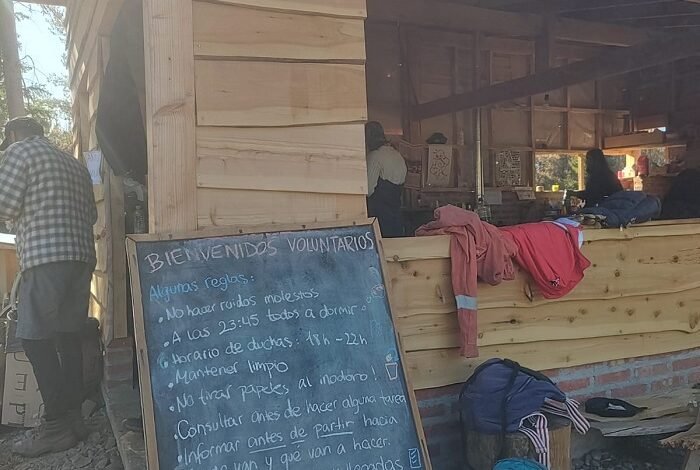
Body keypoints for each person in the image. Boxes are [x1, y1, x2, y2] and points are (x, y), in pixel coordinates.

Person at [0, 117, 97, 457]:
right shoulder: (73, 164)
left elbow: (4, 204)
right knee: (68, 335)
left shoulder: (20, 152)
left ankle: (55, 426)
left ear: (14, 135)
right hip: (81, 257)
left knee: (33, 336)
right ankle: (73, 418)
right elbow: (93, 217)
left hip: (45, 257)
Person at [365, 121, 407, 237]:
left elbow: (368, 190)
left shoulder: (374, 157)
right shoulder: (397, 155)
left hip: (379, 218)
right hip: (396, 215)